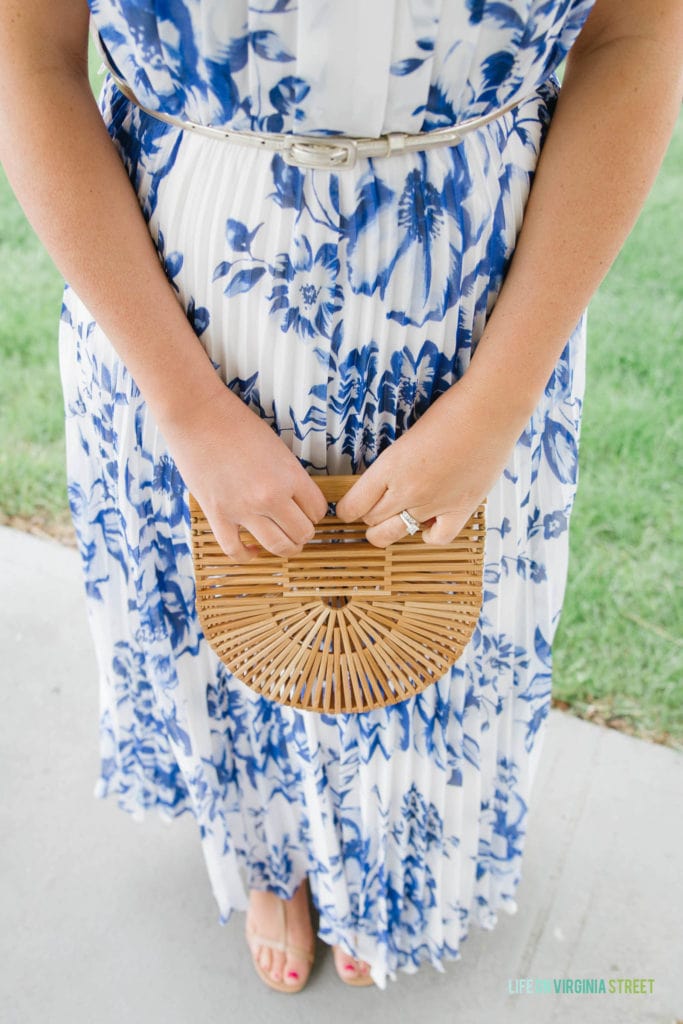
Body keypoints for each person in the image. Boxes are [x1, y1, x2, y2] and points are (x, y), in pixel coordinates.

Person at [1, 0, 680, 995]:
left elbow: (636, 34)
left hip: (475, 318)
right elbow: (29, 54)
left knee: (434, 624)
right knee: (234, 624)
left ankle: (386, 870)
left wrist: (494, 404)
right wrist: (186, 407)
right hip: (176, 313)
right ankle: (274, 857)